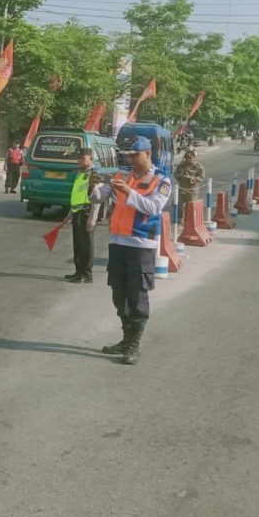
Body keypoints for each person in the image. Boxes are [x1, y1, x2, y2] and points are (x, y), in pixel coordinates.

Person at [88, 136, 172, 365]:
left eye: (135, 155)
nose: (130, 159)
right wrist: (92, 183)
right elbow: (98, 197)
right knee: (118, 293)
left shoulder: (161, 180)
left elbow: (153, 207)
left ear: (148, 154)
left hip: (141, 244)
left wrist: (128, 192)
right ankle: (125, 339)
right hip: (118, 242)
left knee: (137, 295)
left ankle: (134, 342)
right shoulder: (121, 175)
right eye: (128, 155)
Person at [63, 147, 102, 283]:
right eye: (78, 158)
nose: (79, 160)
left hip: (87, 212)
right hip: (77, 212)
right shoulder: (81, 173)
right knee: (78, 243)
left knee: (86, 244)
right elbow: (77, 196)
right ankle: (78, 271)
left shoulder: (94, 174)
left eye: (82, 158)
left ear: (91, 159)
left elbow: (97, 199)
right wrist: (70, 213)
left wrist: (93, 218)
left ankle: (86, 274)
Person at [173, 148, 205, 215]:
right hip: (182, 188)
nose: (187, 159)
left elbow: (202, 178)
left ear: (194, 158)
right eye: (186, 157)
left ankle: (189, 220)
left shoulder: (198, 166)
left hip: (192, 190)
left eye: (189, 158)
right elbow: (175, 174)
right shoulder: (181, 165)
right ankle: (180, 220)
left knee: (190, 207)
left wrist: (191, 178)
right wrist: (180, 176)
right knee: (179, 206)